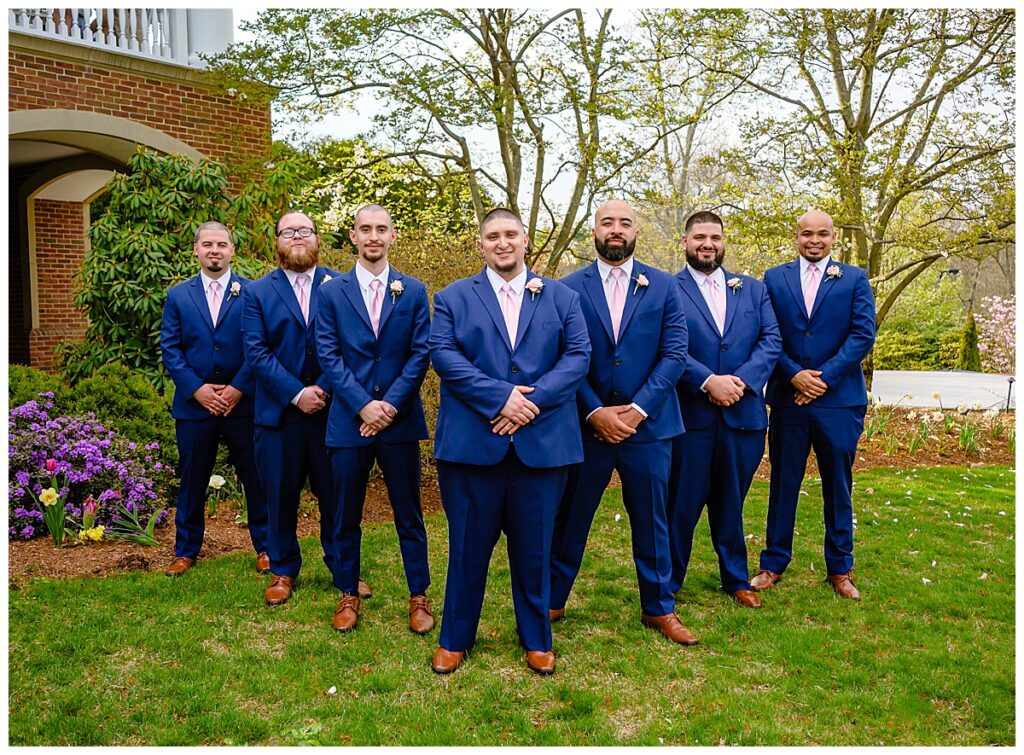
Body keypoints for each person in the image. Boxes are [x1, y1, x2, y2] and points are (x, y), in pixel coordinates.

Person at [428, 208, 591, 675]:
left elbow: (578, 356)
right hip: (472, 447)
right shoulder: (454, 297)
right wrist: (501, 398)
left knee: (536, 548)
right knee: (466, 549)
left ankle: (537, 637)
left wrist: (528, 405)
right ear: (481, 244)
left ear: (526, 241)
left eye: (511, 235)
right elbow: (444, 355)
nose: (503, 243)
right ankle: (455, 637)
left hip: (542, 447)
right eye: (493, 236)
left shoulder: (562, 297)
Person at [550, 199, 697, 645]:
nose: (616, 230)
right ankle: (552, 598)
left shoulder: (665, 287)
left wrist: (637, 411)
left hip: (649, 428)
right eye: (607, 222)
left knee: (653, 519)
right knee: (570, 517)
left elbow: (675, 354)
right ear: (592, 230)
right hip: (586, 425)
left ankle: (659, 606)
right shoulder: (567, 287)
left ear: (637, 231)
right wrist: (594, 410)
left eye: (625, 223)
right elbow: (561, 357)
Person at [241, 210, 370, 612]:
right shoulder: (257, 292)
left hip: (334, 412)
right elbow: (256, 353)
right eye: (288, 232)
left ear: (318, 239)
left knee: (337, 497)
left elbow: (352, 348)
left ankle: (343, 568)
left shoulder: (342, 287)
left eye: (305, 231)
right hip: (279, 416)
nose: (297, 237)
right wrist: (298, 393)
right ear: (276, 241)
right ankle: (282, 568)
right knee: (278, 494)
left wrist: (325, 390)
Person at [315, 205, 434, 635]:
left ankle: (418, 595)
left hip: (399, 422)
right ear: (353, 236)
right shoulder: (330, 293)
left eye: (381, 229)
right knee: (345, 513)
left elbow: (421, 352)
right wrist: (363, 405)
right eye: (365, 229)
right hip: (349, 421)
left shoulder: (414, 290)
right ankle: (347, 590)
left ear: (392, 236)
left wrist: (389, 407)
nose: (373, 236)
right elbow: (328, 354)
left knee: (409, 514)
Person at [753, 210, 876, 599]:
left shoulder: (854, 278)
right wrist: (793, 375)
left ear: (833, 237)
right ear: (796, 236)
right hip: (789, 399)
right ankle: (773, 562)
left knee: (837, 485)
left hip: (838, 402)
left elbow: (862, 334)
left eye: (822, 234)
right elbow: (766, 333)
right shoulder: (774, 278)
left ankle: (840, 568)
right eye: (807, 234)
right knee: (783, 482)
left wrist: (822, 379)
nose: (814, 240)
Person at [666, 211, 781, 608]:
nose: (707, 244)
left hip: (742, 416)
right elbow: (667, 347)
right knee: (681, 504)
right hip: (689, 416)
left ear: (723, 241)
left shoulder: (752, 289)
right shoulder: (666, 289)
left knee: (732, 501)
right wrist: (707, 381)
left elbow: (771, 341)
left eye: (714, 236)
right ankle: (667, 583)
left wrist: (741, 382)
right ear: (684, 242)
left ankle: (735, 578)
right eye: (699, 236)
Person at [161, 221, 268, 577]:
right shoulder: (178, 296)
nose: (214, 250)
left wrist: (238, 387)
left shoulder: (253, 293)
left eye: (221, 244)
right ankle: (185, 550)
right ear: (196, 250)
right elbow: (171, 349)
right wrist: (198, 389)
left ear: (232, 250)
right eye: (207, 244)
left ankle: (266, 547)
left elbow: (259, 346)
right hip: (195, 405)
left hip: (244, 403)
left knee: (255, 478)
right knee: (192, 479)